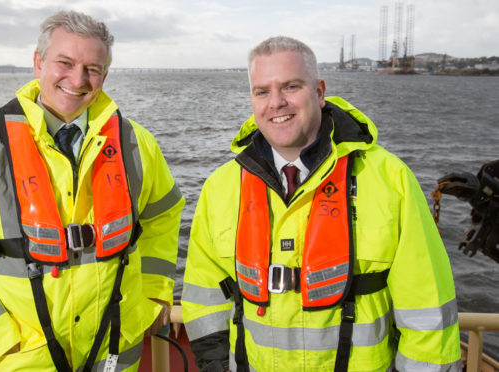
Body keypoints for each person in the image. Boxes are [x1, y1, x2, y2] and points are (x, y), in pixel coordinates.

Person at [0, 10, 184, 372]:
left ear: (105, 76)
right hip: (24, 358)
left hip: (115, 345)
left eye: (92, 69)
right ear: (38, 63)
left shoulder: (136, 144)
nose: (77, 79)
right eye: (64, 63)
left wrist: (153, 293)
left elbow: (162, 217)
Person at [181, 36, 461, 371]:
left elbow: (427, 310)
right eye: (262, 91)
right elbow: (204, 297)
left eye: (291, 86)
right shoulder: (221, 186)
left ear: (319, 91)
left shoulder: (390, 179)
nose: (276, 102)